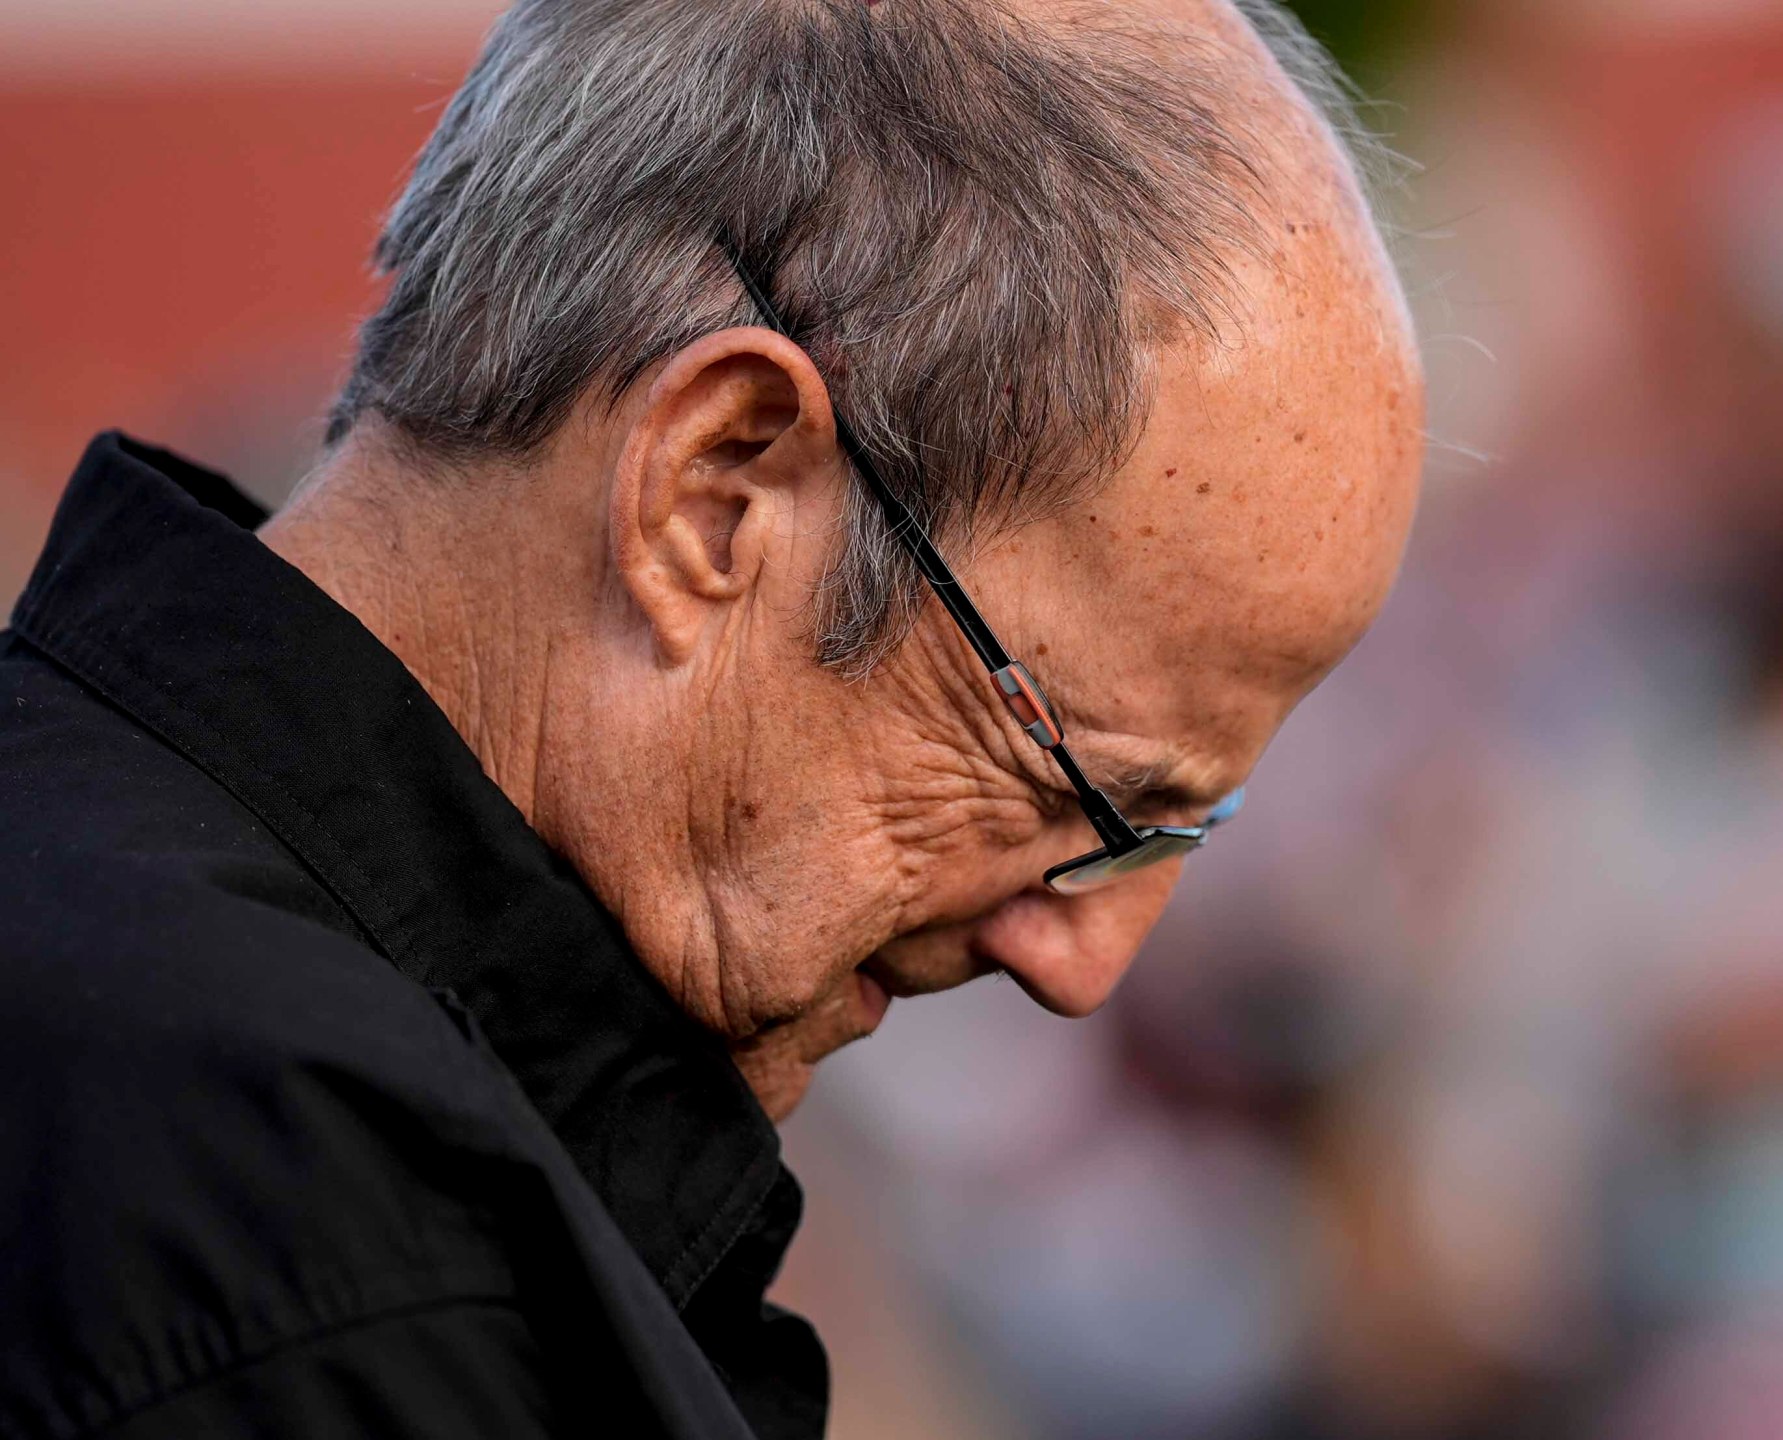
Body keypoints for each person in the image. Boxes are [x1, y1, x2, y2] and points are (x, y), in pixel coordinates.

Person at [0, 0, 1424, 1435]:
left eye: (1194, 826)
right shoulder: (342, 1296)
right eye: (1080, 792)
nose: (1085, 959)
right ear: (714, 490)